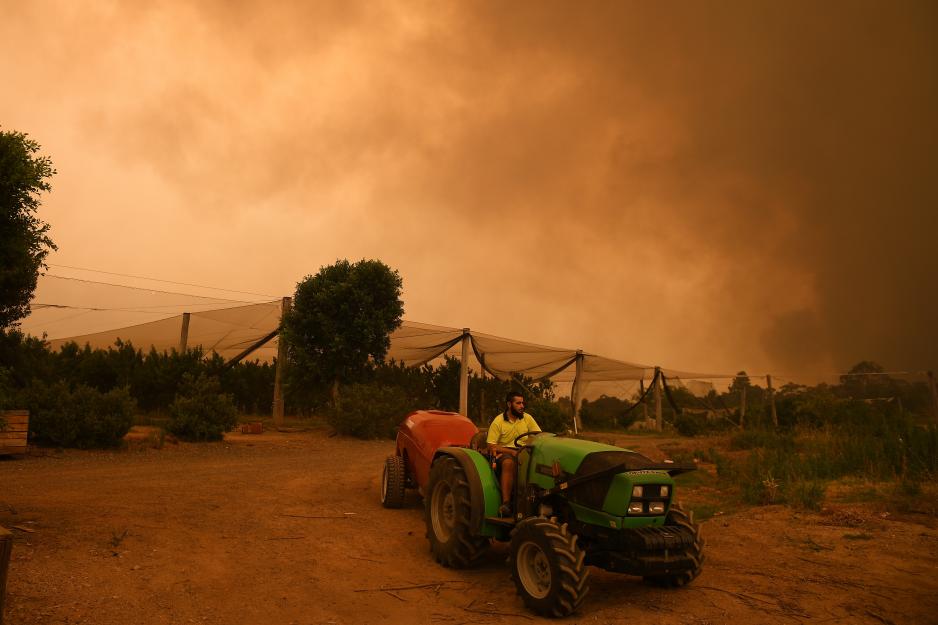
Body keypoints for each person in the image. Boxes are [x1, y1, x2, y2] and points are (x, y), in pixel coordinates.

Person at [486, 390, 541, 517]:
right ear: (509, 404)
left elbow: (538, 435)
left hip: (524, 450)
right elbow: (491, 445)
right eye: (518, 403)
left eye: (523, 403)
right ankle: (506, 503)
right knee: (509, 463)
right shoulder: (498, 421)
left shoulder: (527, 418)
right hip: (504, 452)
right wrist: (511, 451)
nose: (522, 406)